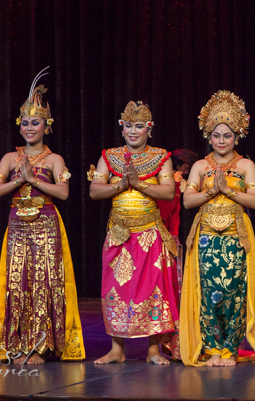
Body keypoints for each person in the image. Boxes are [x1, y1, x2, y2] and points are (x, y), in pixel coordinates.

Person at [0, 68, 85, 364]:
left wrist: (35, 181)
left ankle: (41, 347)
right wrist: (19, 181)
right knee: (17, 283)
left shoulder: (55, 159)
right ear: (20, 126)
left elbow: (65, 193)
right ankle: (17, 344)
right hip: (17, 223)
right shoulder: (9, 158)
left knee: (44, 282)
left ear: (47, 126)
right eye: (26, 122)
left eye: (36, 122)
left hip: (46, 224)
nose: (30, 127)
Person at [179, 90, 255, 367]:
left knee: (234, 292)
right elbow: (187, 201)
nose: (221, 141)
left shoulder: (246, 165)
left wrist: (227, 192)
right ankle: (212, 348)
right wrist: (212, 192)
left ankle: (230, 348)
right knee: (207, 292)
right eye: (216, 135)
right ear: (209, 135)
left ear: (237, 136)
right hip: (206, 236)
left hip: (235, 235)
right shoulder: (199, 166)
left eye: (227, 135)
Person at [89, 101, 179, 365]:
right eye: (129, 125)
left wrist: (138, 184)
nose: (133, 131)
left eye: (139, 126)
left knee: (154, 289)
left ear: (149, 129)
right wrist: (122, 184)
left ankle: (153, 350)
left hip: (149, 233)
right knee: (115, 289)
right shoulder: (109, 157)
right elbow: (95, 191)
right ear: (122, 128)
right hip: (119, 234)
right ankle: (117, 349)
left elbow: (169, 192)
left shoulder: (162, 157)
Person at [157, 148, 199, 243]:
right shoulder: (162, 183)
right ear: (177, 166)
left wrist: (174, 233)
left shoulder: (178, 184)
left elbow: (176, 211)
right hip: (155, 230)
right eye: (185, 168)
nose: (187, 172)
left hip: (166, 231)